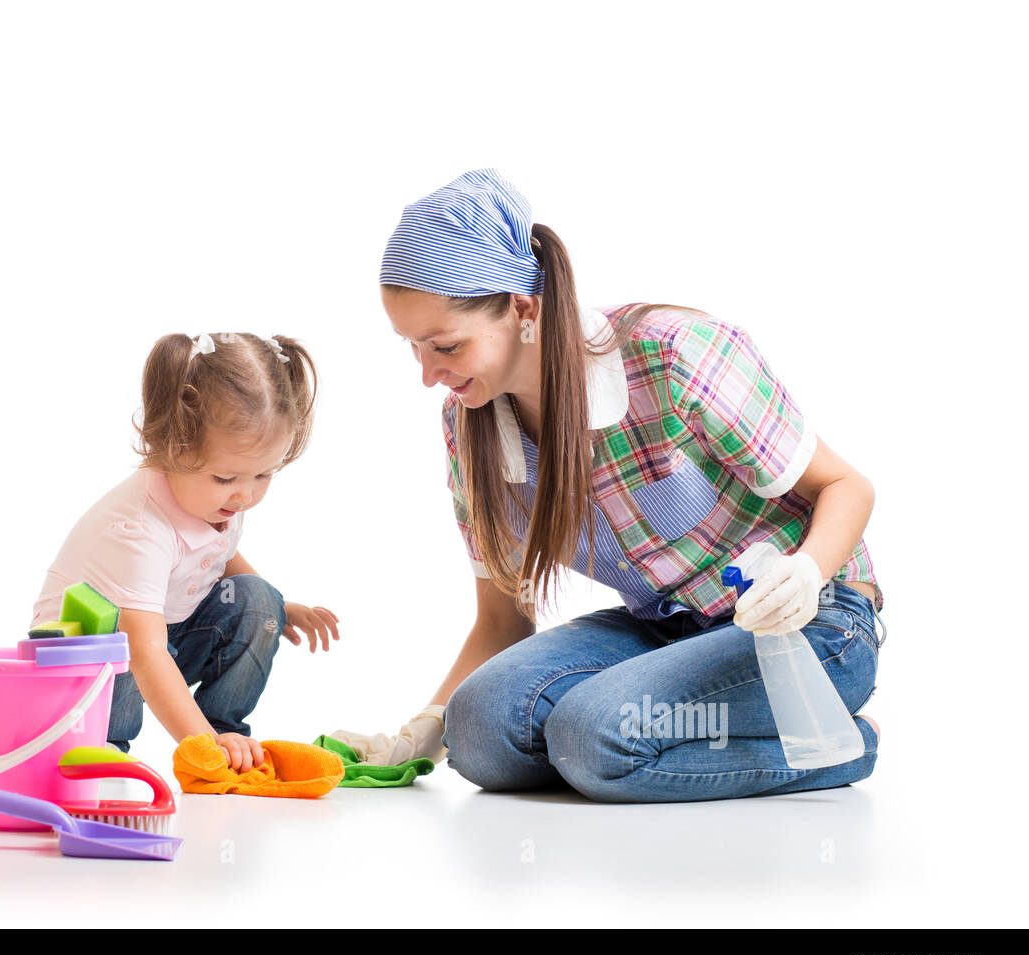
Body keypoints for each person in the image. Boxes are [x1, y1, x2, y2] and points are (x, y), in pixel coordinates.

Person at [333, 168, 883, 802]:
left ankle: (840, 743)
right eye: (412, 347)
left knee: (596, 733)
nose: (428, 373)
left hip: (811, 628)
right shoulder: (471, 428)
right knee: (478, 731)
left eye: (446, 345)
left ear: (522, 308)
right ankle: (619, 750)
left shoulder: (674, 355)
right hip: (668, 633)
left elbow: (847, 486)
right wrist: (423, 733)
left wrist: (807, 573)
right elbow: (501, 619)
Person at [31, 331, 340, 772]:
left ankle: (224, 729)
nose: (244, 496)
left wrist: (277, 607)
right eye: (226, 478)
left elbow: (218, 556)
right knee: (121, 646)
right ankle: (107, 750)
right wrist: (200, 748)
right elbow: (144, 650)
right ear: (171, 446)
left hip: (161, 635)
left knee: (257, 596)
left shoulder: (214, 498)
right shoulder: (138, 530)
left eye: (263, 476)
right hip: (84, 662)